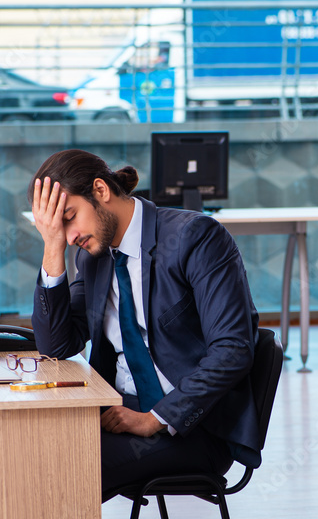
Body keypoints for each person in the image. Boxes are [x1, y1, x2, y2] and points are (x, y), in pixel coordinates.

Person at [29, 148, 261, 501]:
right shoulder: (92, 258)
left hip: (191, 428)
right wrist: (52, 248)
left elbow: (233, 350)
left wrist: (155, 417)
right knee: (24, 449)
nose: (70, 235)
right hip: (117, 410)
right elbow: (57, 345)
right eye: (58, 227)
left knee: (64, 468)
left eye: (69, 217)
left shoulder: (195, 237)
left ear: (101, 190)